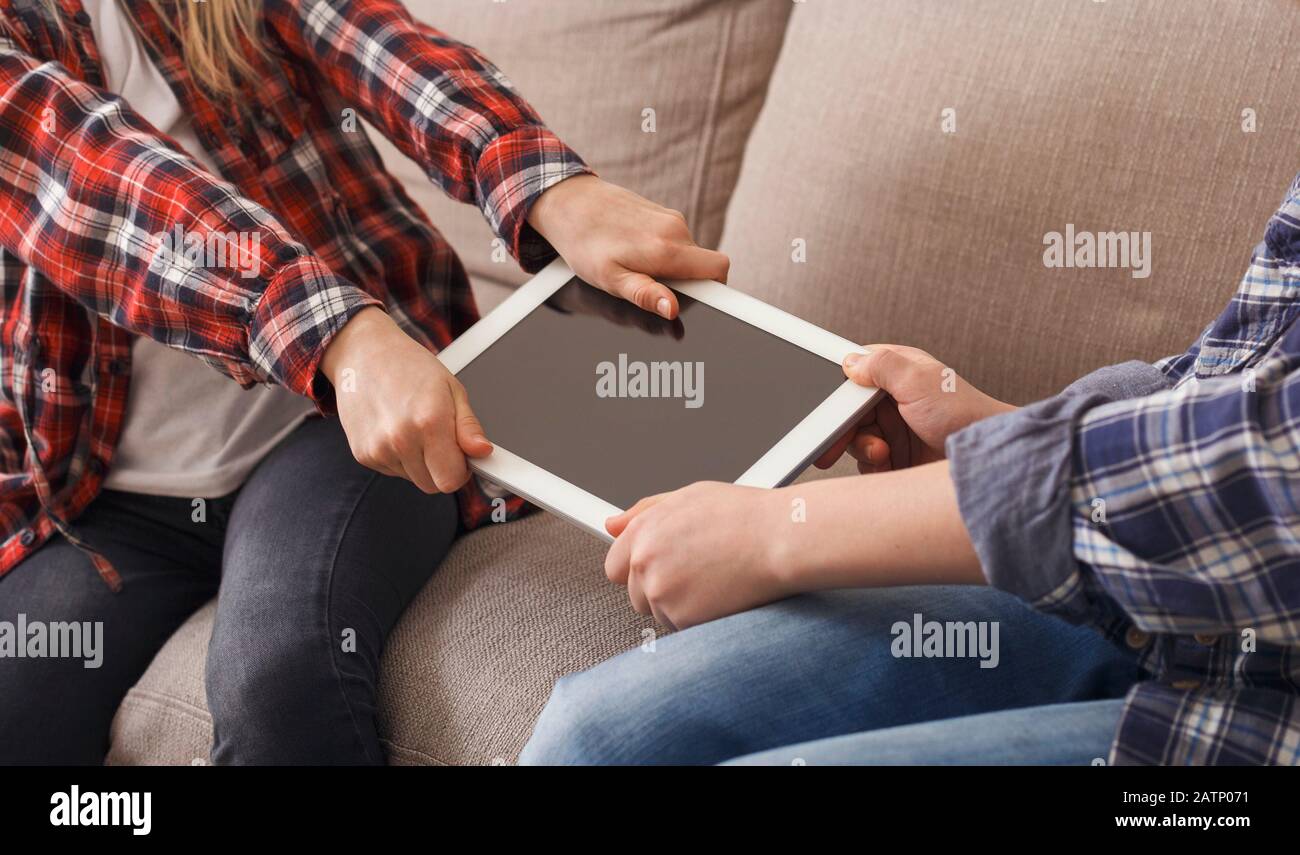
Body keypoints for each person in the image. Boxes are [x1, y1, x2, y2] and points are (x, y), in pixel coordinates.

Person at [0, 0, 727, 764]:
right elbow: (87, 179)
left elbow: (387, 50)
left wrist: (550, 188)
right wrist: (337, 331)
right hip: (101, 489)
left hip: (337, 430)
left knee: (277, 681)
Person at [521, 172, 1300, 766]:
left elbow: (1273, 467)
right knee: (597, 738)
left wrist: (779, 534)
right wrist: (1001, 433)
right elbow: (1235, 378)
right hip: (1167, 580)